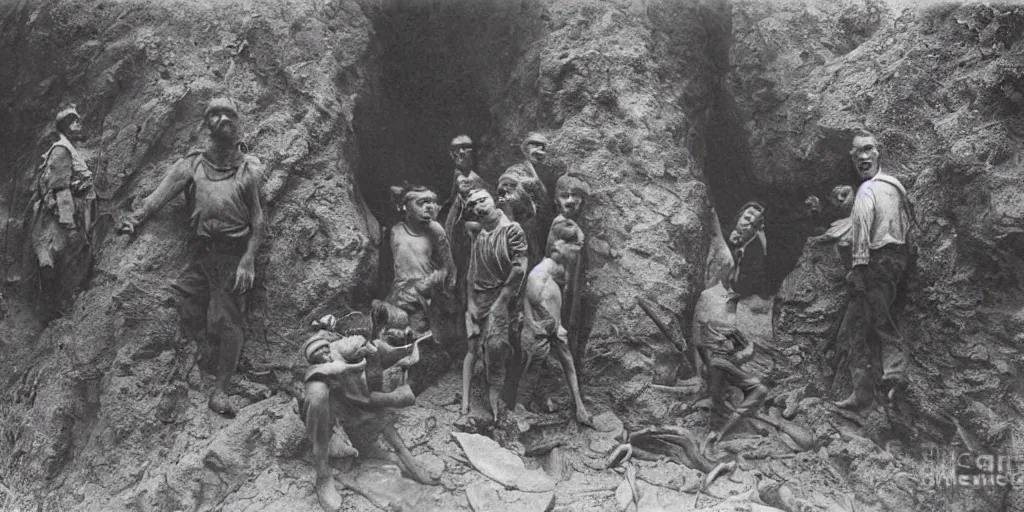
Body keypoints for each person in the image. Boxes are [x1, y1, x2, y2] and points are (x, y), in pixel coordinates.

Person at [118, 97, 265, 418]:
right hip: (203, 254)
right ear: (205, 124)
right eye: (215, 114)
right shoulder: (192, 164)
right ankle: (186, 370)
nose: (223, 118)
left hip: (232, 256)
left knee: (229, 322)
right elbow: (157, 197)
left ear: (237, 123)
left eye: (229, 113)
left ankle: (221, 390)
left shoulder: (248, 170)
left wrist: (248, 260)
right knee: (181, 301)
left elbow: (257, 220)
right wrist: (135, 218)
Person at [300, 326, 436, 512]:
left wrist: (369, 355)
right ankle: (323, 476)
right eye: (317, 353)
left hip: (354, 400)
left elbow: (367, 370)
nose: (323, 353)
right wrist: (338, 367)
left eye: (324, 349)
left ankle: (408, 459)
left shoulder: (339, 350)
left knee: (379, 413)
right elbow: (323, 371)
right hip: (330, 407)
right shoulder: (317, 371)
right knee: (318, 396)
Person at [835, 131, 913, 410]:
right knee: (879, 314)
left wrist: (857, 268)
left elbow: (861, 233)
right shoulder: (897, 187)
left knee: (860, 326)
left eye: (867, 150)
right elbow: (909, 225)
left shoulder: (867, 191)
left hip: (875, 262)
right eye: (857, 155)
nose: (863, 157)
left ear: (878, 152)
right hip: (897, 262)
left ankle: (875, 385)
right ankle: (891, 376)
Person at [23, 105, 98, 322]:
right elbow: (60, 188)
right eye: (74, 122)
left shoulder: (67, 148)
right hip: (63, 212)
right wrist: (68, 222)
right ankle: (57, 305)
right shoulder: (62, 150)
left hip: (72, 204)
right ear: (65, 126)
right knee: (74, 250)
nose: (78, 125)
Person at [460, 189, 528, 424]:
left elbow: (519, 268)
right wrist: (470, 302)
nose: (478, 206)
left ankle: (503, 400)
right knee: (483, 347)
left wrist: (501, 303)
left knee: (501, 345)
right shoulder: (478, 232)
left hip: (505, 296)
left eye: (482, 200)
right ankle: (485, 401)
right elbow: (472, 269)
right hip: (481, 296)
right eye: (473, 204)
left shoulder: (512, 230)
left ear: (492, 201)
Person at [519, 220, 594, 426]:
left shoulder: (559, 268)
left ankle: (579, 407)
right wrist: (533, 324)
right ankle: (518, 410)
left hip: (554, 325)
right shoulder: (540, 273)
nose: (577, 253)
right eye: (575, 247)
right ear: (560, 245)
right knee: (531, 368)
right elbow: (530, 298)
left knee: (567, 360)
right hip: (540, 327)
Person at [380, 184, 456, 338]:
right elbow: (386, 269)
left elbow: (449, 269)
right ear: (405, 207)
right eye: (422, 203)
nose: (429, 207)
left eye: (432, 202)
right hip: (400, 294)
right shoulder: (395, 231)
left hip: (427, 295)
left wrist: (432, 282)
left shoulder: (436, 231)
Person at [547, 173, 593, 375]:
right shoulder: (562, 225)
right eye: (565, 195)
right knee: (562, 327)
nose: (571, 200)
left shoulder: (572, 225)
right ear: (556, 199)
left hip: (572, 285)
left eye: (575, 196)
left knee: (571, 325)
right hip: (560, 286)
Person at [440, 135, 491, 312]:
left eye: (466, 147)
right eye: (456, 149)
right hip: (455, 240)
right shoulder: (454, 178)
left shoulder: (477, 181)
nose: (461, 152)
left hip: (474, 241)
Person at [500, 133, 553, 267]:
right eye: (534, 145)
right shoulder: (515, 171)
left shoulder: (544, 174)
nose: (539, 150)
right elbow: (506, 196)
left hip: (541, 230)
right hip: (522, 229)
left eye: (543, 148)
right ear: (525, 149)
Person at [725, 201, 768, 300]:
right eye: (747, 219)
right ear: (738, 217)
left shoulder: (756, 256)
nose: (748, 227)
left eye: (754, 225)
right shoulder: (722, 236)